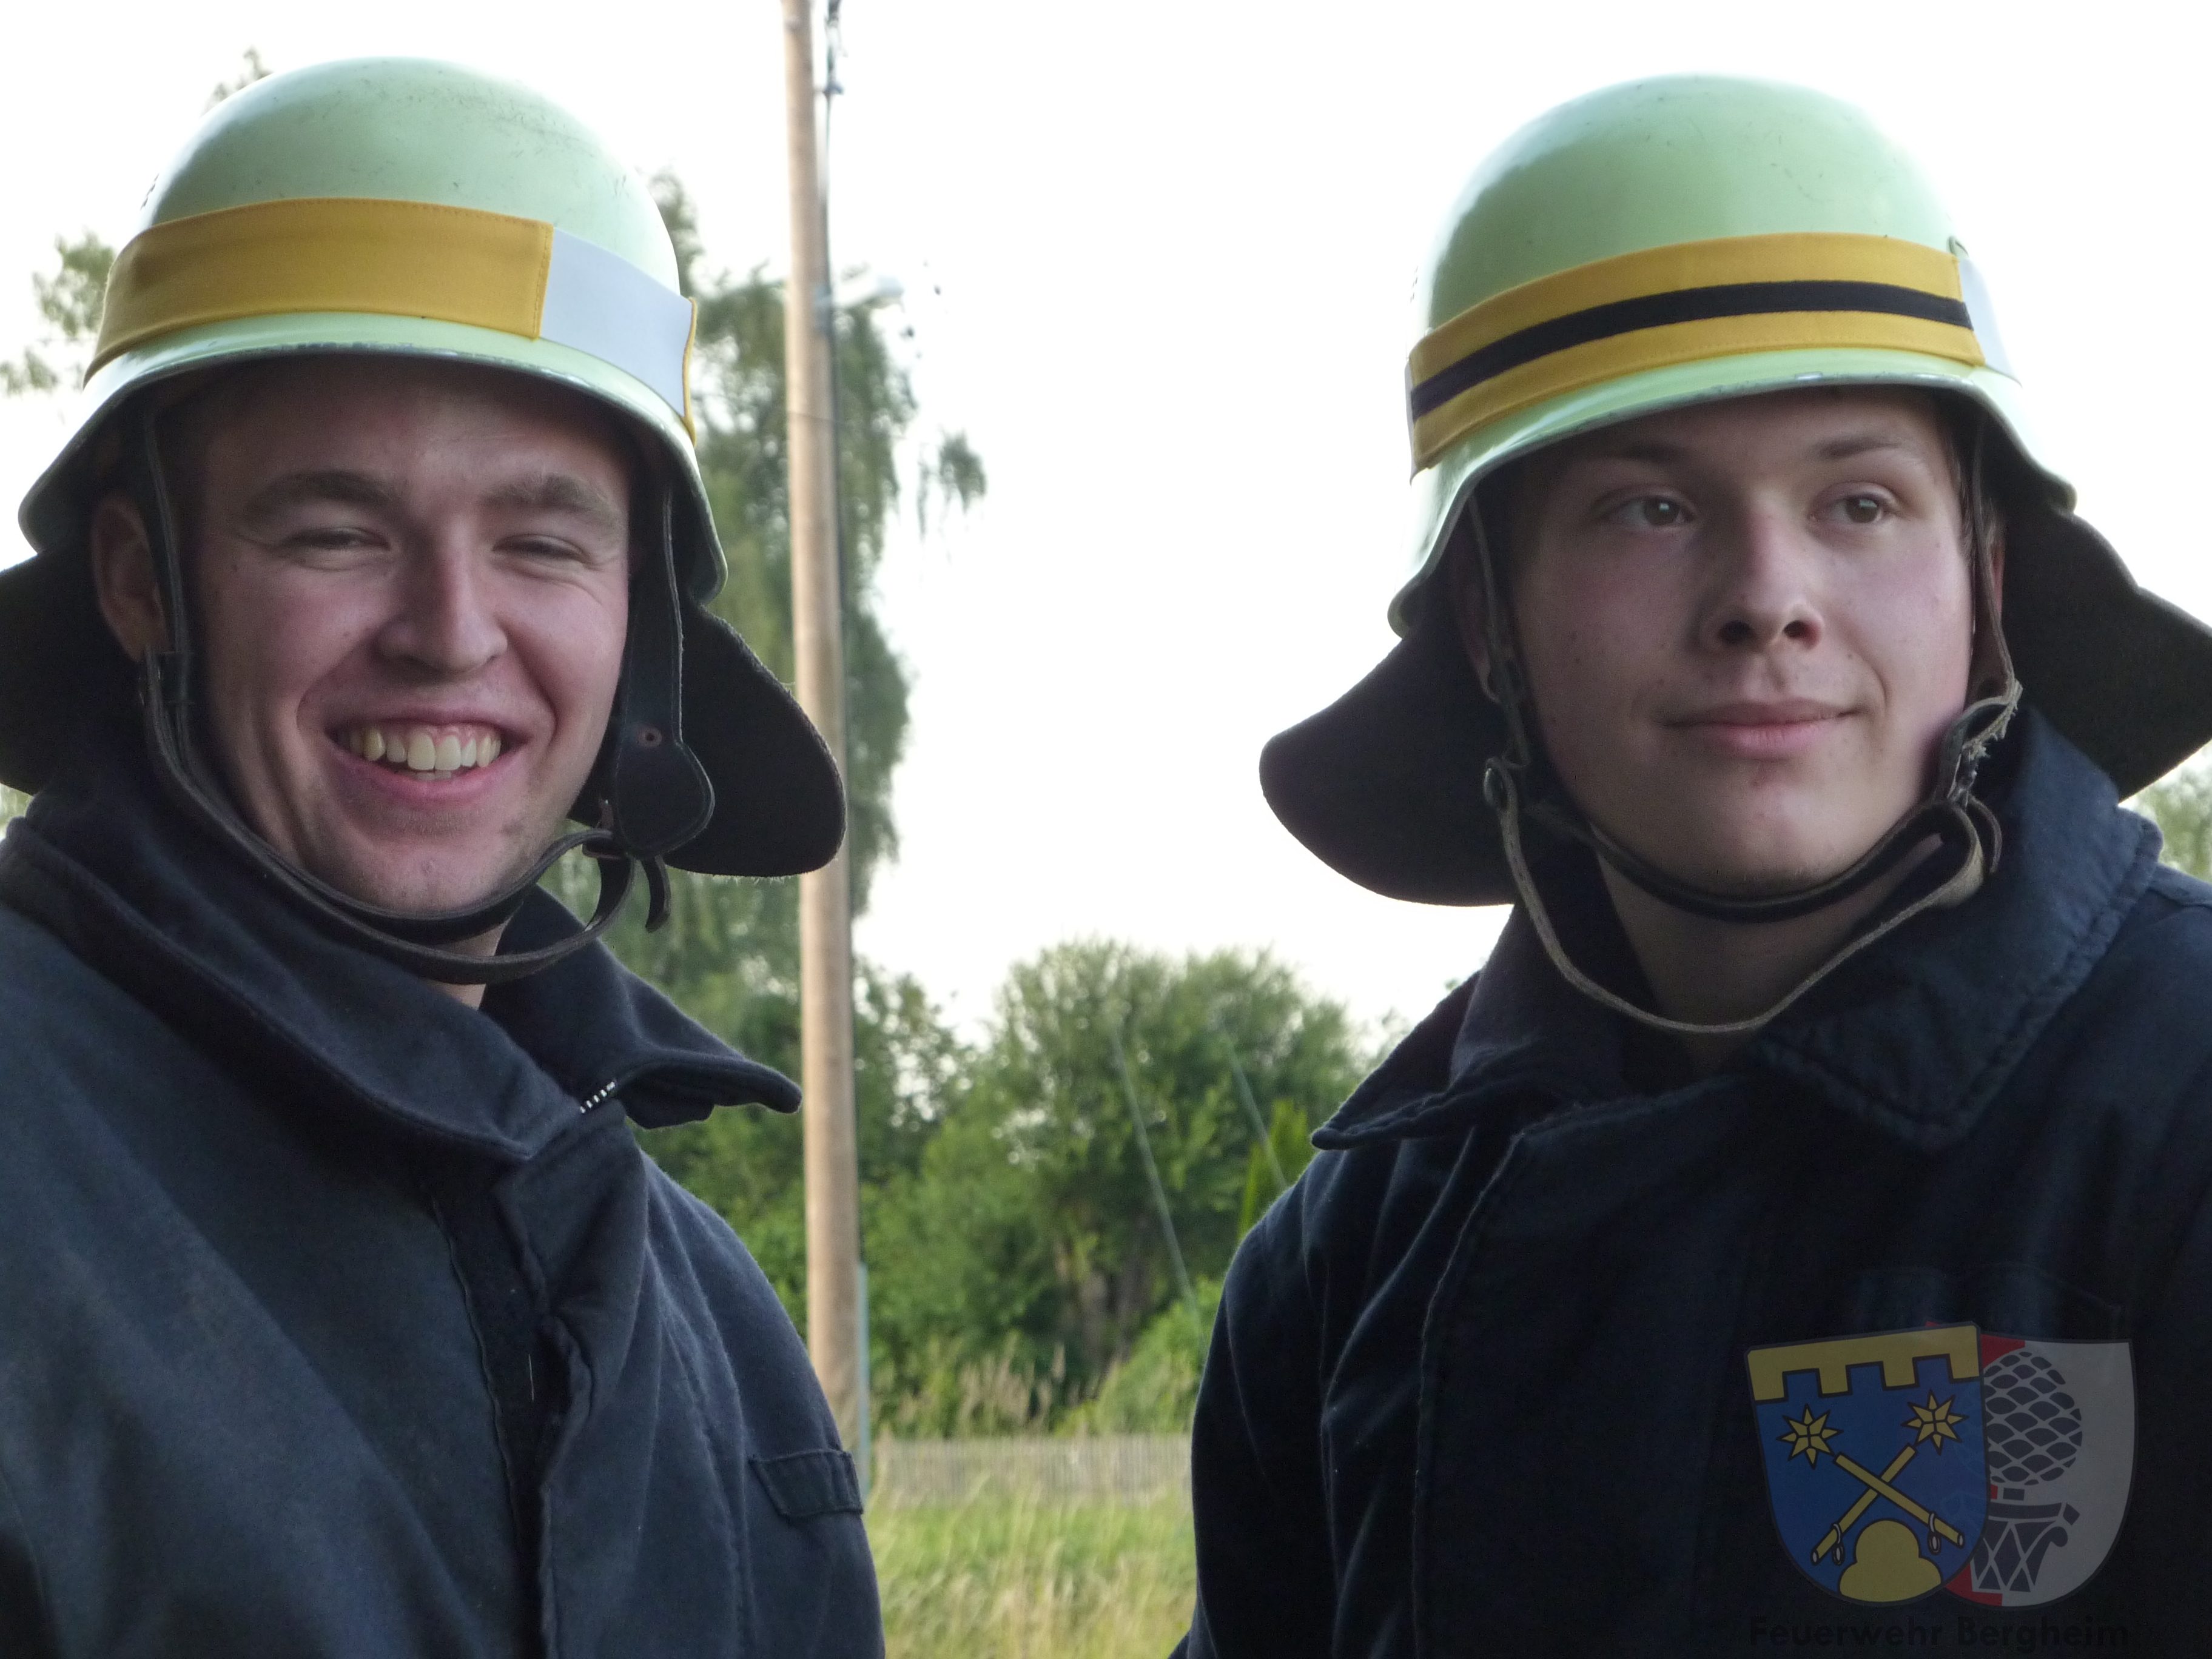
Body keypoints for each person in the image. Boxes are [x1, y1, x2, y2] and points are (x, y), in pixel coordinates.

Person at [1178, 76, 2212, 1655]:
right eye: (1648, 508)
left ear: (1987, 574)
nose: (1764, 597)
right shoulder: (1348, 1264)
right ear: (1488, 619)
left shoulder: (2183, 1123)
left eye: (1859, 501)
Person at [0, 59, 881, 1657]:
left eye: (542, 541)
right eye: (336, 531)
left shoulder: (716, 1336)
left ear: (638, 631)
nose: (451, 632)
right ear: (139, 580)